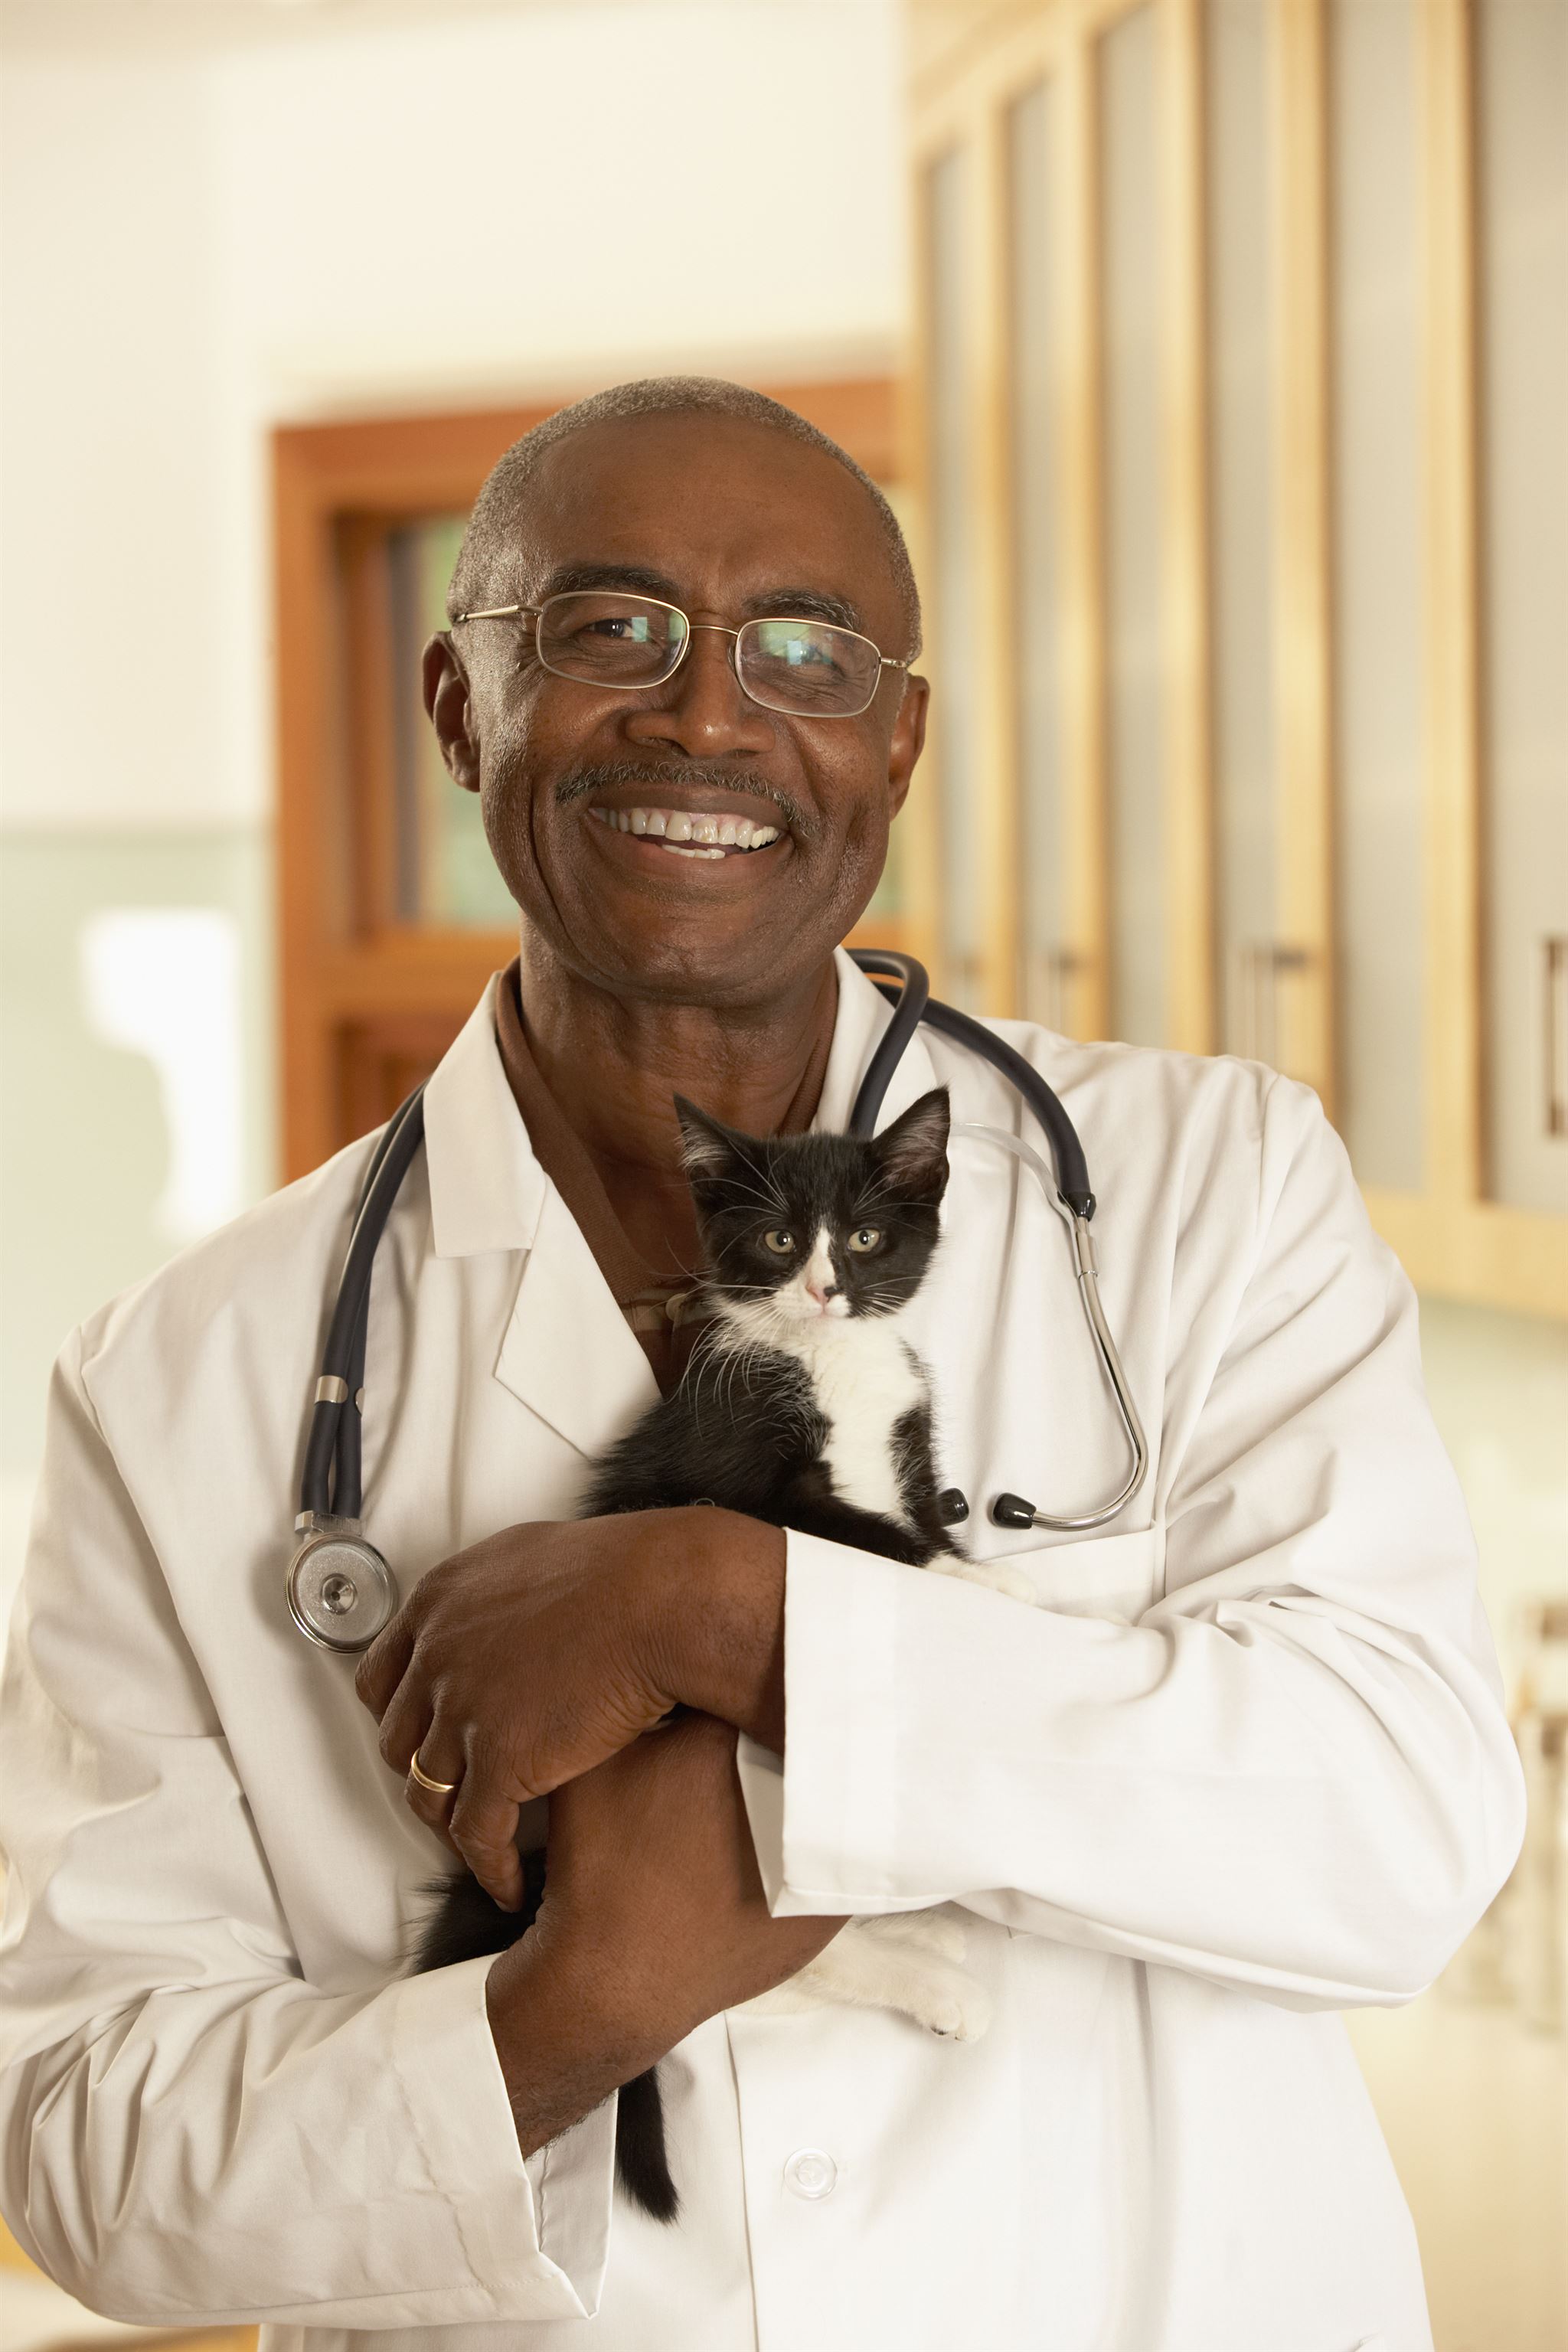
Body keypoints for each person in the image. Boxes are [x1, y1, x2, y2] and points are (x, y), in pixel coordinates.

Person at [0, 377, 1524, 2352]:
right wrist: (566, 2019)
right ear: (462, 708)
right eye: (608, 629)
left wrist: (730, 1611)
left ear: (896, 742)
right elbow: (92, 2164)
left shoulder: (1204, 1190)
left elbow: (1395, 1834)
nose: (709, 715)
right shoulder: (181, 1381)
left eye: (805, 648)